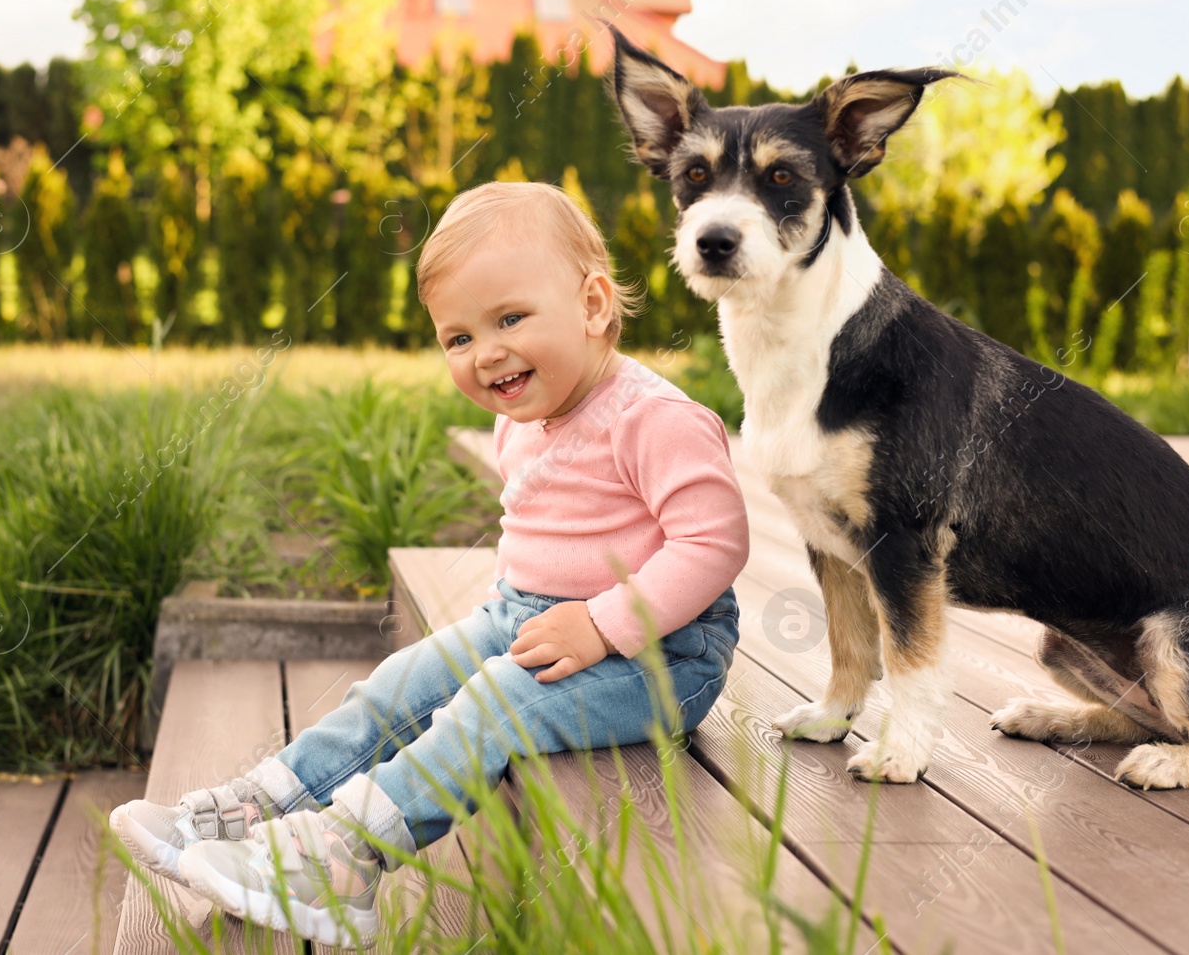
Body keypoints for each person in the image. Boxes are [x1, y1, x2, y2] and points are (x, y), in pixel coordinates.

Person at [109, 180, 751, 946]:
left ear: (593, 304)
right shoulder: (529, 417)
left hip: (663, 652)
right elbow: (551, 540)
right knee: (395, 687)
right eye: (459, 337)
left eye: (511, 318)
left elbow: (715, 543)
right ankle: (258, 805)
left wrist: (604, 624)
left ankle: (347, 858)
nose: (488, 353)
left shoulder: (656, 419)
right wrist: (511, 622)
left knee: (496, 702)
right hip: (533, 617)